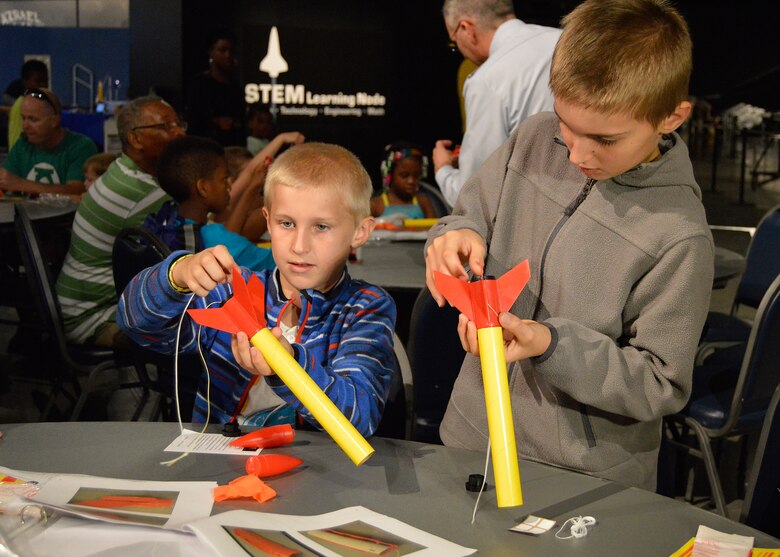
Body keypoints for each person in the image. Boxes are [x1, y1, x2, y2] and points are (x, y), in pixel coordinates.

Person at [425, 0, 714, 491]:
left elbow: (660, 383)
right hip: (471, 437)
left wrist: (551, 345)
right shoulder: (534, 138)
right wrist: (451, 237)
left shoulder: (678, 235)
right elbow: (464, 216)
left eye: (605, 139)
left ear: (672, 117)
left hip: (580, 478)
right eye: (566, 123)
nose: (577, 153)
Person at [117, 143, 397, 432]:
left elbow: (360, 417)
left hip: (313, 460)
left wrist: (288, 366)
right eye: (286, 223)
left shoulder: (366, 306)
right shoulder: (231, 292)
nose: (299, 246)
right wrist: (176, 274)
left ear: (360, 232)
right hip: (218, 455)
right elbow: (137, 325)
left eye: (321, 227)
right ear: (268, 222)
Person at [56, 95, 186, 346]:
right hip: (94, 319)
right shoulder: (142, 192)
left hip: (73, 305)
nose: (179, 132)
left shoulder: (120, 171)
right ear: (135, 139)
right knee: (199, 330)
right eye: (166, 126)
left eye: (179, 124)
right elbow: (212, 233)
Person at [433, 0, 561, 207]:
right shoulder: (567, 40)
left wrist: (443, 170)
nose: (460, 51)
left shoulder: (487, 81)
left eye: (454, 43)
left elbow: (474, 196)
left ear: (466, 29)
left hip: (536, 213)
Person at [146, 135, 275, 272]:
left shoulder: (165, 218)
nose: (229, 186)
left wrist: (253, 186)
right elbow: (278, 262)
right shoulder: (216, 239)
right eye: (224, 179)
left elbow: (229, 235)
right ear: (203, 188)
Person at [0, 88, 97, 197]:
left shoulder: (80, 147)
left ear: (54, 121)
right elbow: (5, 182)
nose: (25, 126)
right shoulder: (23, 145)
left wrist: (21, 184)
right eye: (23, 118)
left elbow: (76, 190)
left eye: (33, 119)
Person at [186, 29, 245, 146]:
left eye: (231, 51)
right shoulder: (199, 84)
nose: (228, 55)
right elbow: (193, 119)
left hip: (233, 147)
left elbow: (242, 120)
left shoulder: (235, 87)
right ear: (211, 52)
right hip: (204, 147)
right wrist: (216, 122)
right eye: (222, 50)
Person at [370, 142, 436, 219]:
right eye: (404, 176)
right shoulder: (376, 205)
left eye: (416, 176)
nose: (411, 181)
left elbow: (435, 226)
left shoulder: (423, 202)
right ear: (390, 174)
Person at [4, 59, 49, 149]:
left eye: (46, 81)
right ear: (25, 82)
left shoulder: (37, 102)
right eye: (38, 81)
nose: (43, 85)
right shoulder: (25, 105)